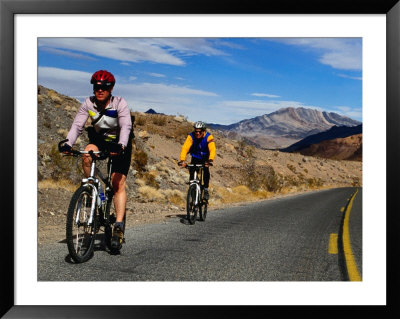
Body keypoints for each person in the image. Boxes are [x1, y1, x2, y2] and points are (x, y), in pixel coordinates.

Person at [59, 70, 133, 251]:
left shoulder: (120, 103)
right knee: (87, 154)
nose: (100, 90)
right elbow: (77, 125)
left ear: (111, 88)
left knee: (117, 183)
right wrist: (68, 143)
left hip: (119, 142)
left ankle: (118, 225)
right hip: (100, 139)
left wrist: (122, 145)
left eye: (104, 87)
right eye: (96, 87)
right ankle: (92, 190)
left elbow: (126, 126)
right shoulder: (88, 103)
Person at [178, 121, 216, 200]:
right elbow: (185, 148)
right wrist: (182, 160)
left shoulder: (208, 137)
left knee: (206, 171)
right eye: (196, 131)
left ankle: (205, 190)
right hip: (195, 157)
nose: (197, 133)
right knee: (192, 173)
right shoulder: (191, 136)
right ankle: (193, 191)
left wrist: (210, 160)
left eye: (200, 131)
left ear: (203, 131)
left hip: (205, 158)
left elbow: (212, 149)